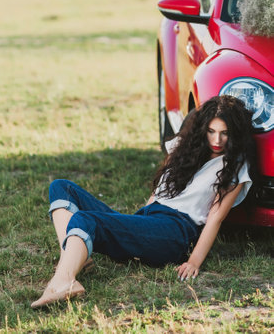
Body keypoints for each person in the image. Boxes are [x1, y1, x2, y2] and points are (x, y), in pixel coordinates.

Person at [31, 95, 256, 308]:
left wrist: (194, 261)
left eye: (224, 133)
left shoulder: (232, 167)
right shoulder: (185, 149)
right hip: (149, 219)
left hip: (174, 232)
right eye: (211, 131)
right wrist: (135, 222)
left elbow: (216, 218)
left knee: (84, 219)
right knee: (61, 187)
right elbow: (159, 192)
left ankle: (64, 280)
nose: (217, 140)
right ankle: (70, 258)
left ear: (235, 135)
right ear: (202, 129)